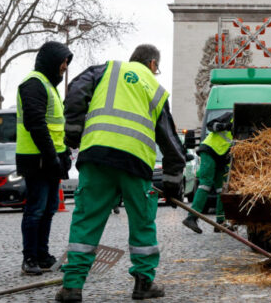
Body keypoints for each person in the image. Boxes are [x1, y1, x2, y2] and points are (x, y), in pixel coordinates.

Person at [55, 44, 186, 302]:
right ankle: (143, 283)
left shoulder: (107, 70)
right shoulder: (156, 89)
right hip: (135, 162)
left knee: (86, 219)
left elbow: (76, 90)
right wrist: (172, 186)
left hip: (97, 155)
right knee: (142, 221)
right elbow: (171, 143)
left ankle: (72, 286)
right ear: (152, 65)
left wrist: (72, 130)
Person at [16, 41, 73, 275]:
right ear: (52, 60)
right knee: (36, 209)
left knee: (48, 209)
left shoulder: (48, 85)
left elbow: (56, 127)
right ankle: (30, 257)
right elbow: (36, 124)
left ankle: (42, 254)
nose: (65, 67)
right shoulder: (34, 84)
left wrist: (64, 153)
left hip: (49, 158)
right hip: (37, 159)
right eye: (63, 61)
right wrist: (52, 157)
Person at [182, 112, 234, 234]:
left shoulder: (247, 130)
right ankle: (191, 218)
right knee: (205, 184)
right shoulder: (231, 116)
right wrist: (224, 126)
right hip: (209, 151)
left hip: (222, 158)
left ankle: (220, 223)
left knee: (223, 189)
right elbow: (210, 125)